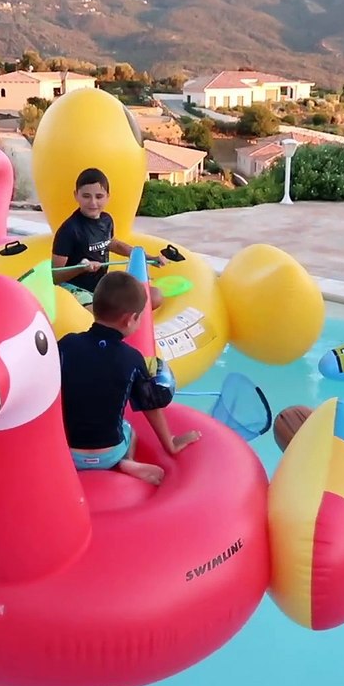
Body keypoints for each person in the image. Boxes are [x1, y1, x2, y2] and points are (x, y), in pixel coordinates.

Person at [58, 271, 200, 485]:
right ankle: (126, 461)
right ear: (130, 319)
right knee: (129, 430)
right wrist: (170, 443)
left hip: (67, 454)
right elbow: (150, 406)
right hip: (109, 454)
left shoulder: (67, 345)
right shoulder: (132, 358)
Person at [52, 168, 167, 309]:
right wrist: (81, 268)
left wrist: (149, 258)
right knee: (102, 314)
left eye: (99, 196)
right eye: (86, 196)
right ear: (76, 195)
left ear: (107, 196)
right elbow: (55, 276)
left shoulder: (107, 220)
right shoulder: (69, 230)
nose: (93, 202)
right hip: (75, 289)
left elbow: (113, 244)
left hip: (101, 286)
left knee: (155, 296)